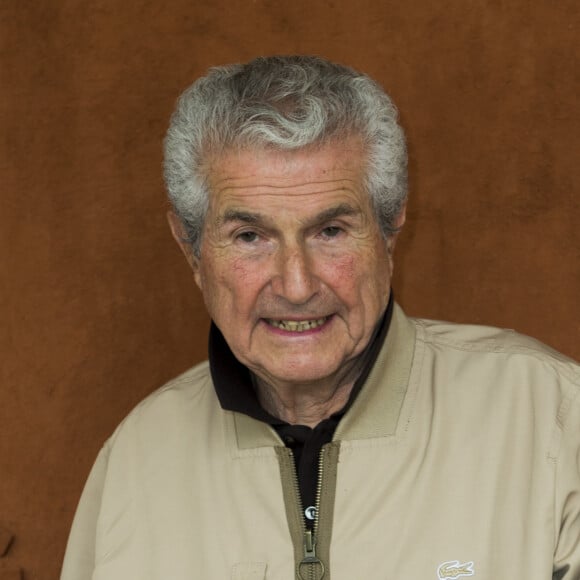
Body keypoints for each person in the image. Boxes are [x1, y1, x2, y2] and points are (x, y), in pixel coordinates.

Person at [60, 56, 580, 580]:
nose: (297, 285)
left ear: (390, 228)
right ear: (191, 249)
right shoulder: (134, 461)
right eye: (250, 237)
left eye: (330, 231)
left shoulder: (550, 417)